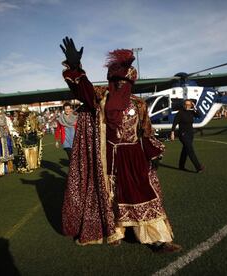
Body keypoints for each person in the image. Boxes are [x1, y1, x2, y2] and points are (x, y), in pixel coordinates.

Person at [60, 37, 181, 252]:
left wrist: (153, 152)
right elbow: (83, 90)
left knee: (143, 194)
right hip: (107, 159)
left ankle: (157, 239)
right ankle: (115, 231)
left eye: (124, 83)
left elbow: (145, 132)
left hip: (133, 158)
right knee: (109, 196)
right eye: (116, 82)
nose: (120, 86)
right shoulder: (101, 98)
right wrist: (76, 67)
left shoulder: (139, 103)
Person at [170, 99, 205, 173]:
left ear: (191, 105)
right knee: (190, 150)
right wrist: (172, 133)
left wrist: (195, 107)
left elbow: (200, 115)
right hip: (183, 134)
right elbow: (174, 123)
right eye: (186, 104)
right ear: (183, 105)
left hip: (190, 134)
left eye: (189, 105)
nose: (187, 106)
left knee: (185, 150)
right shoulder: (180, 113)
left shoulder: (191, 112)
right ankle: (198, 167)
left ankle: (181, 166)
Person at [12, 105, 43, 173]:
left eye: (23, 112)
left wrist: (39, 132)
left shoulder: (33, 118)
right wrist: (16, 136)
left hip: (32, 137)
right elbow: (15, 129)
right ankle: (27, 165)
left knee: (34, 150)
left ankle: (34, 165)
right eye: (21, 112)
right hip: (24, 138)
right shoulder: (18, 120)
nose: (21, 114)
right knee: (25, 152)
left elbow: (37, 127)